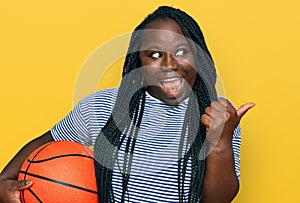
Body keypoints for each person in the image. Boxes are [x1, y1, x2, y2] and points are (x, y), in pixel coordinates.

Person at [0, 6, 254, 203]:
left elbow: (217, 200)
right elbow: (47, 143)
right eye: (154, 54)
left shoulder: (217, 116)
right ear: (138, 62)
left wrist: (221, 142)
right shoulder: (101, 107)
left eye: (181, 51)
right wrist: (4, 183)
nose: (170, 65)